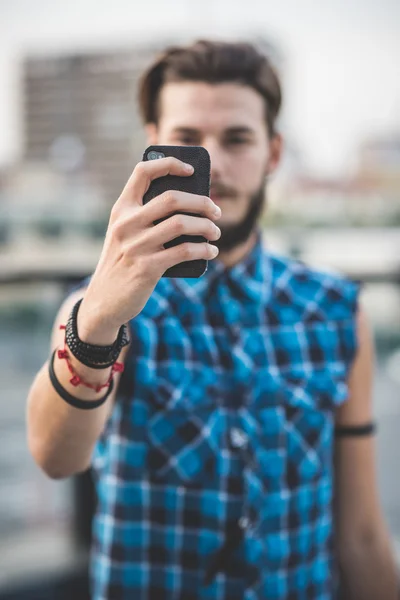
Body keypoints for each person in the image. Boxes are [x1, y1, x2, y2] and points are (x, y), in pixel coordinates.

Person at [26, 40, 398, 600]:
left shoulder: (336, 312)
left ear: (273, 154)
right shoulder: (99, 307)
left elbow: (363, 537)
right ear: (151, 144)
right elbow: (55, 455)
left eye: (237, 138)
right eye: (188, 140)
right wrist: (101, 314)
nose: (215, 163)